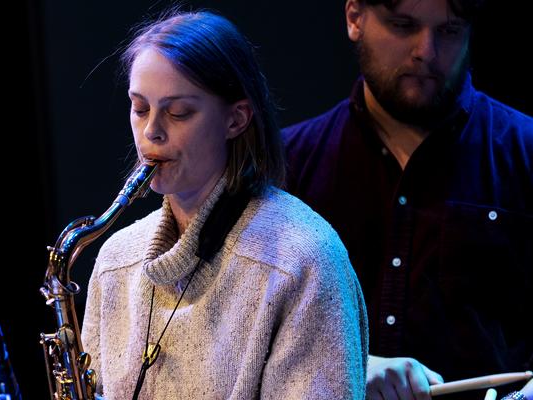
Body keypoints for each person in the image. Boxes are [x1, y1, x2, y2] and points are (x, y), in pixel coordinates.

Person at [79, 11, 369, 399]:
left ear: (236, 119)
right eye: (140, 108)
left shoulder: (302, 258)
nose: (151, 131)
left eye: (178, 112)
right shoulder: (116, 260)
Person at [283, 0, 532, 399]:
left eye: (448, 31)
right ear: (354, 18)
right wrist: (345, 364)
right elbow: (249, 337)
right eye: (403, 25)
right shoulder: (287, 164)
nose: (426, 52)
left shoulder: (525, 151)